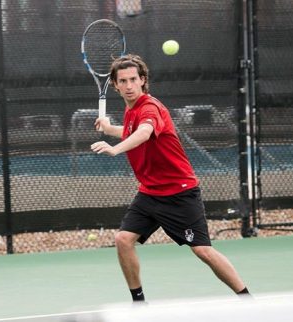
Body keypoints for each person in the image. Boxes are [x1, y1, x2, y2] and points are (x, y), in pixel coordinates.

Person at [90, 54, 251, 303]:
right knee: (123, 240)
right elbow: (132, 130)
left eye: (134, 79)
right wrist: (111, 129)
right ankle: (139, 303)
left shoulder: (150, 107)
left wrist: (115, 148)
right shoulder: (131, 110)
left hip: (179, 192)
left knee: (203, 251)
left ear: (143, 80)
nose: (129, 85)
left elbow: (144, 132)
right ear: (115, 85)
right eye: (123, 81)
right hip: (150, 193)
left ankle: (247, 299)